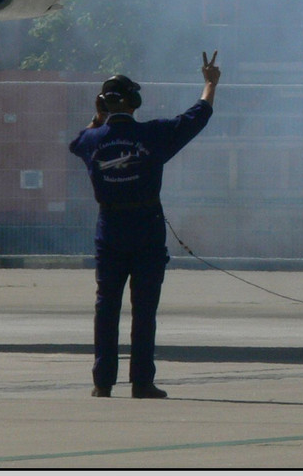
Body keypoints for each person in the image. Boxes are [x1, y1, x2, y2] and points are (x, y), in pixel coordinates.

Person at [68, 54, 220, 399]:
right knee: (144, 308)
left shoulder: (92, 141)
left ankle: (102, 381)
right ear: (134, 103)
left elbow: (77, 143)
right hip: (146, 227)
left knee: (106, 307)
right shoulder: (153, 135)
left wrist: (98, 117)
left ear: (104, 104)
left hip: (109, 228)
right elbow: (197, 117)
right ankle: (142, 381)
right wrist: (210, 83)